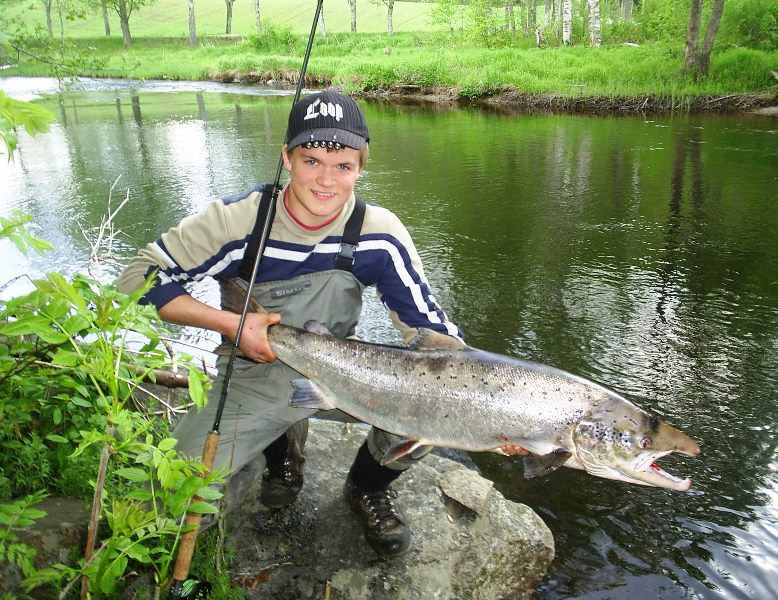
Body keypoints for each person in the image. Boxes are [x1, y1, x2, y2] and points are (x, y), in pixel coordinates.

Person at [116, 90, 466, 558]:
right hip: (252, 376)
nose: (326, 180)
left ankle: (365, 486)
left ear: (362, 165)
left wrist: (499, 419)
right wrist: (230, 323)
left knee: (441, 406)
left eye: (343, 165)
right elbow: (136, 279)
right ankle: (282, 456)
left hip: (344, 374)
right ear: (286, 158)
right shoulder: (236, 222)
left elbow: (433, 334)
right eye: (311, 160)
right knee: (162, 505)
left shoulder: (378, 232)